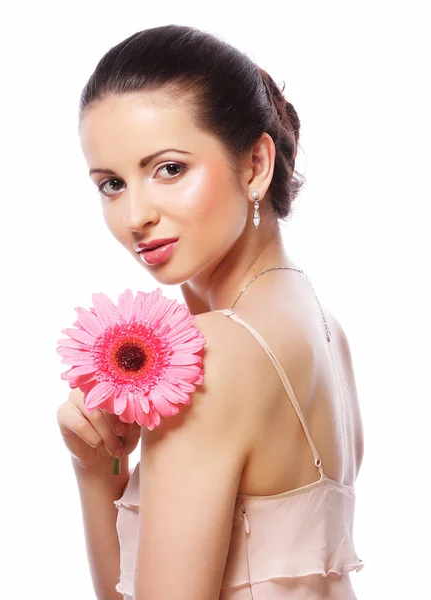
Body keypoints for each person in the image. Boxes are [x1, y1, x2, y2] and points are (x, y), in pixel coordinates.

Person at [56, 24, 365, 600]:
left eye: (169, 169)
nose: (136, 215)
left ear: (254, 166)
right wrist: (96, 470)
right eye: (112, 183)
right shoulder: (322, 326)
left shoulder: (207, 355)